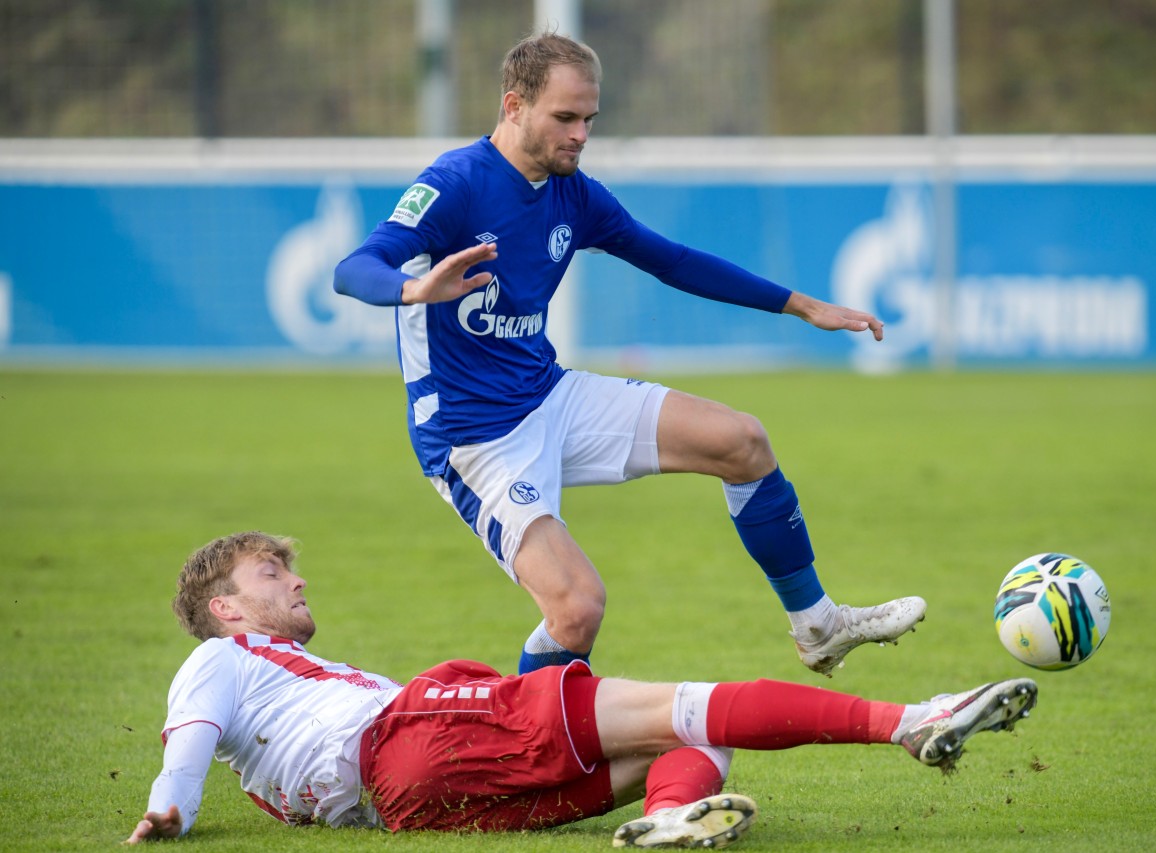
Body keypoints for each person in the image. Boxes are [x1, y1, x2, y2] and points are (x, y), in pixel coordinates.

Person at [332, 31, 926, 678]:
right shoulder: (455, 184)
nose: (581, 134)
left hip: (548, 395)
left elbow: (669, 259)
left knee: (742, 441)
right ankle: (524, 765)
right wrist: (414, 287)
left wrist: (800, 305)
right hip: (473, 438)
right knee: (577, 609)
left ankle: (818, 626)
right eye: (565, 117)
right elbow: (354, 266)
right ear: (513, 106)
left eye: (589, 119)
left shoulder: (573, 193)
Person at [126, 532, 1037, 848]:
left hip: (413, 796)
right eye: (267, 573)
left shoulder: (289, 689)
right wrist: (170, 809)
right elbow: (189, 736)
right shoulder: (223, 659)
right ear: (224, 607)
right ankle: (917, 721)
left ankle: (674, 821)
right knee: (688, 702)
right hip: (404, 738)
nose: (293, 580)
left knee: (687, 753)